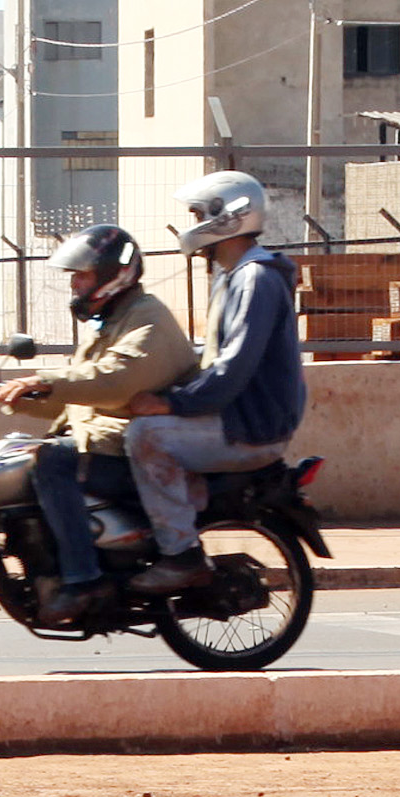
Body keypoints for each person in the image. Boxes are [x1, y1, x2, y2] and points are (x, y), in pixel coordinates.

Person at [0, 224, 192, 626]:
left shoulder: (147, 320)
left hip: (137, 452)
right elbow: (79, 398)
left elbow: (112, 382)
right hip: (110, 442)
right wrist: (13, 393)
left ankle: (83, 580)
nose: (75, 286)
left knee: (51, 461)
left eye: (82, 276)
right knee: (17, 451)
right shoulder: (114, 322)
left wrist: (43, 381)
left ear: (113, 276)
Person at [119, 171, 307, 585]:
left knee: (145, 436)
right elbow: (212, 360)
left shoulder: (254, 278)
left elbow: (233, 367)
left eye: (197, 213)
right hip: (235, 417)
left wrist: (172, 403)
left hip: (250, 427)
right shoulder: (233, 274)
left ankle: (180, 553)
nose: (191, 223)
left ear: (228, 216)